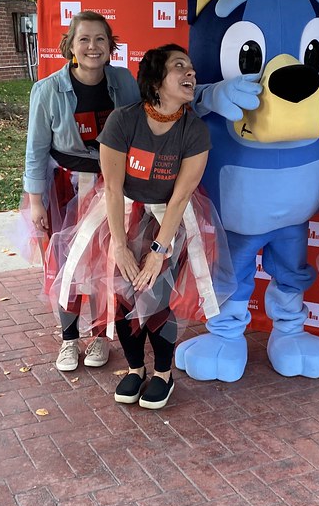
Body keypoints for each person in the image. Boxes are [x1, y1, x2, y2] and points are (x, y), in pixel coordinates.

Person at [47, 44, 232, 409]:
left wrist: (158, 254)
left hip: (169, 219)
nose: (190, 73)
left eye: (192, 67)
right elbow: (113, 188)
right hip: (120, 216)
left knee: (157, 296)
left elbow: (180, 198)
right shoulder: (123, 120)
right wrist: (119, 246)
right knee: (122, 295)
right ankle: (135, 368)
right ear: (156, 80)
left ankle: (163, 373)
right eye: (180, 67)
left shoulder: (194, 130)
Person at [20, 10, 139, 372]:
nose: (92, 46)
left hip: (113, 188)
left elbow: (140, 130)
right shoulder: (47, 90)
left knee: (108, 264)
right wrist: (36, 202)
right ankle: (69, 341)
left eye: (100, 39)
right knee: (66, 266)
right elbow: (35, 150)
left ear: (110, 46)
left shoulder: (124, 81)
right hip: (65, 189)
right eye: (84, 39)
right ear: (70, 45)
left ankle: (101, 337)